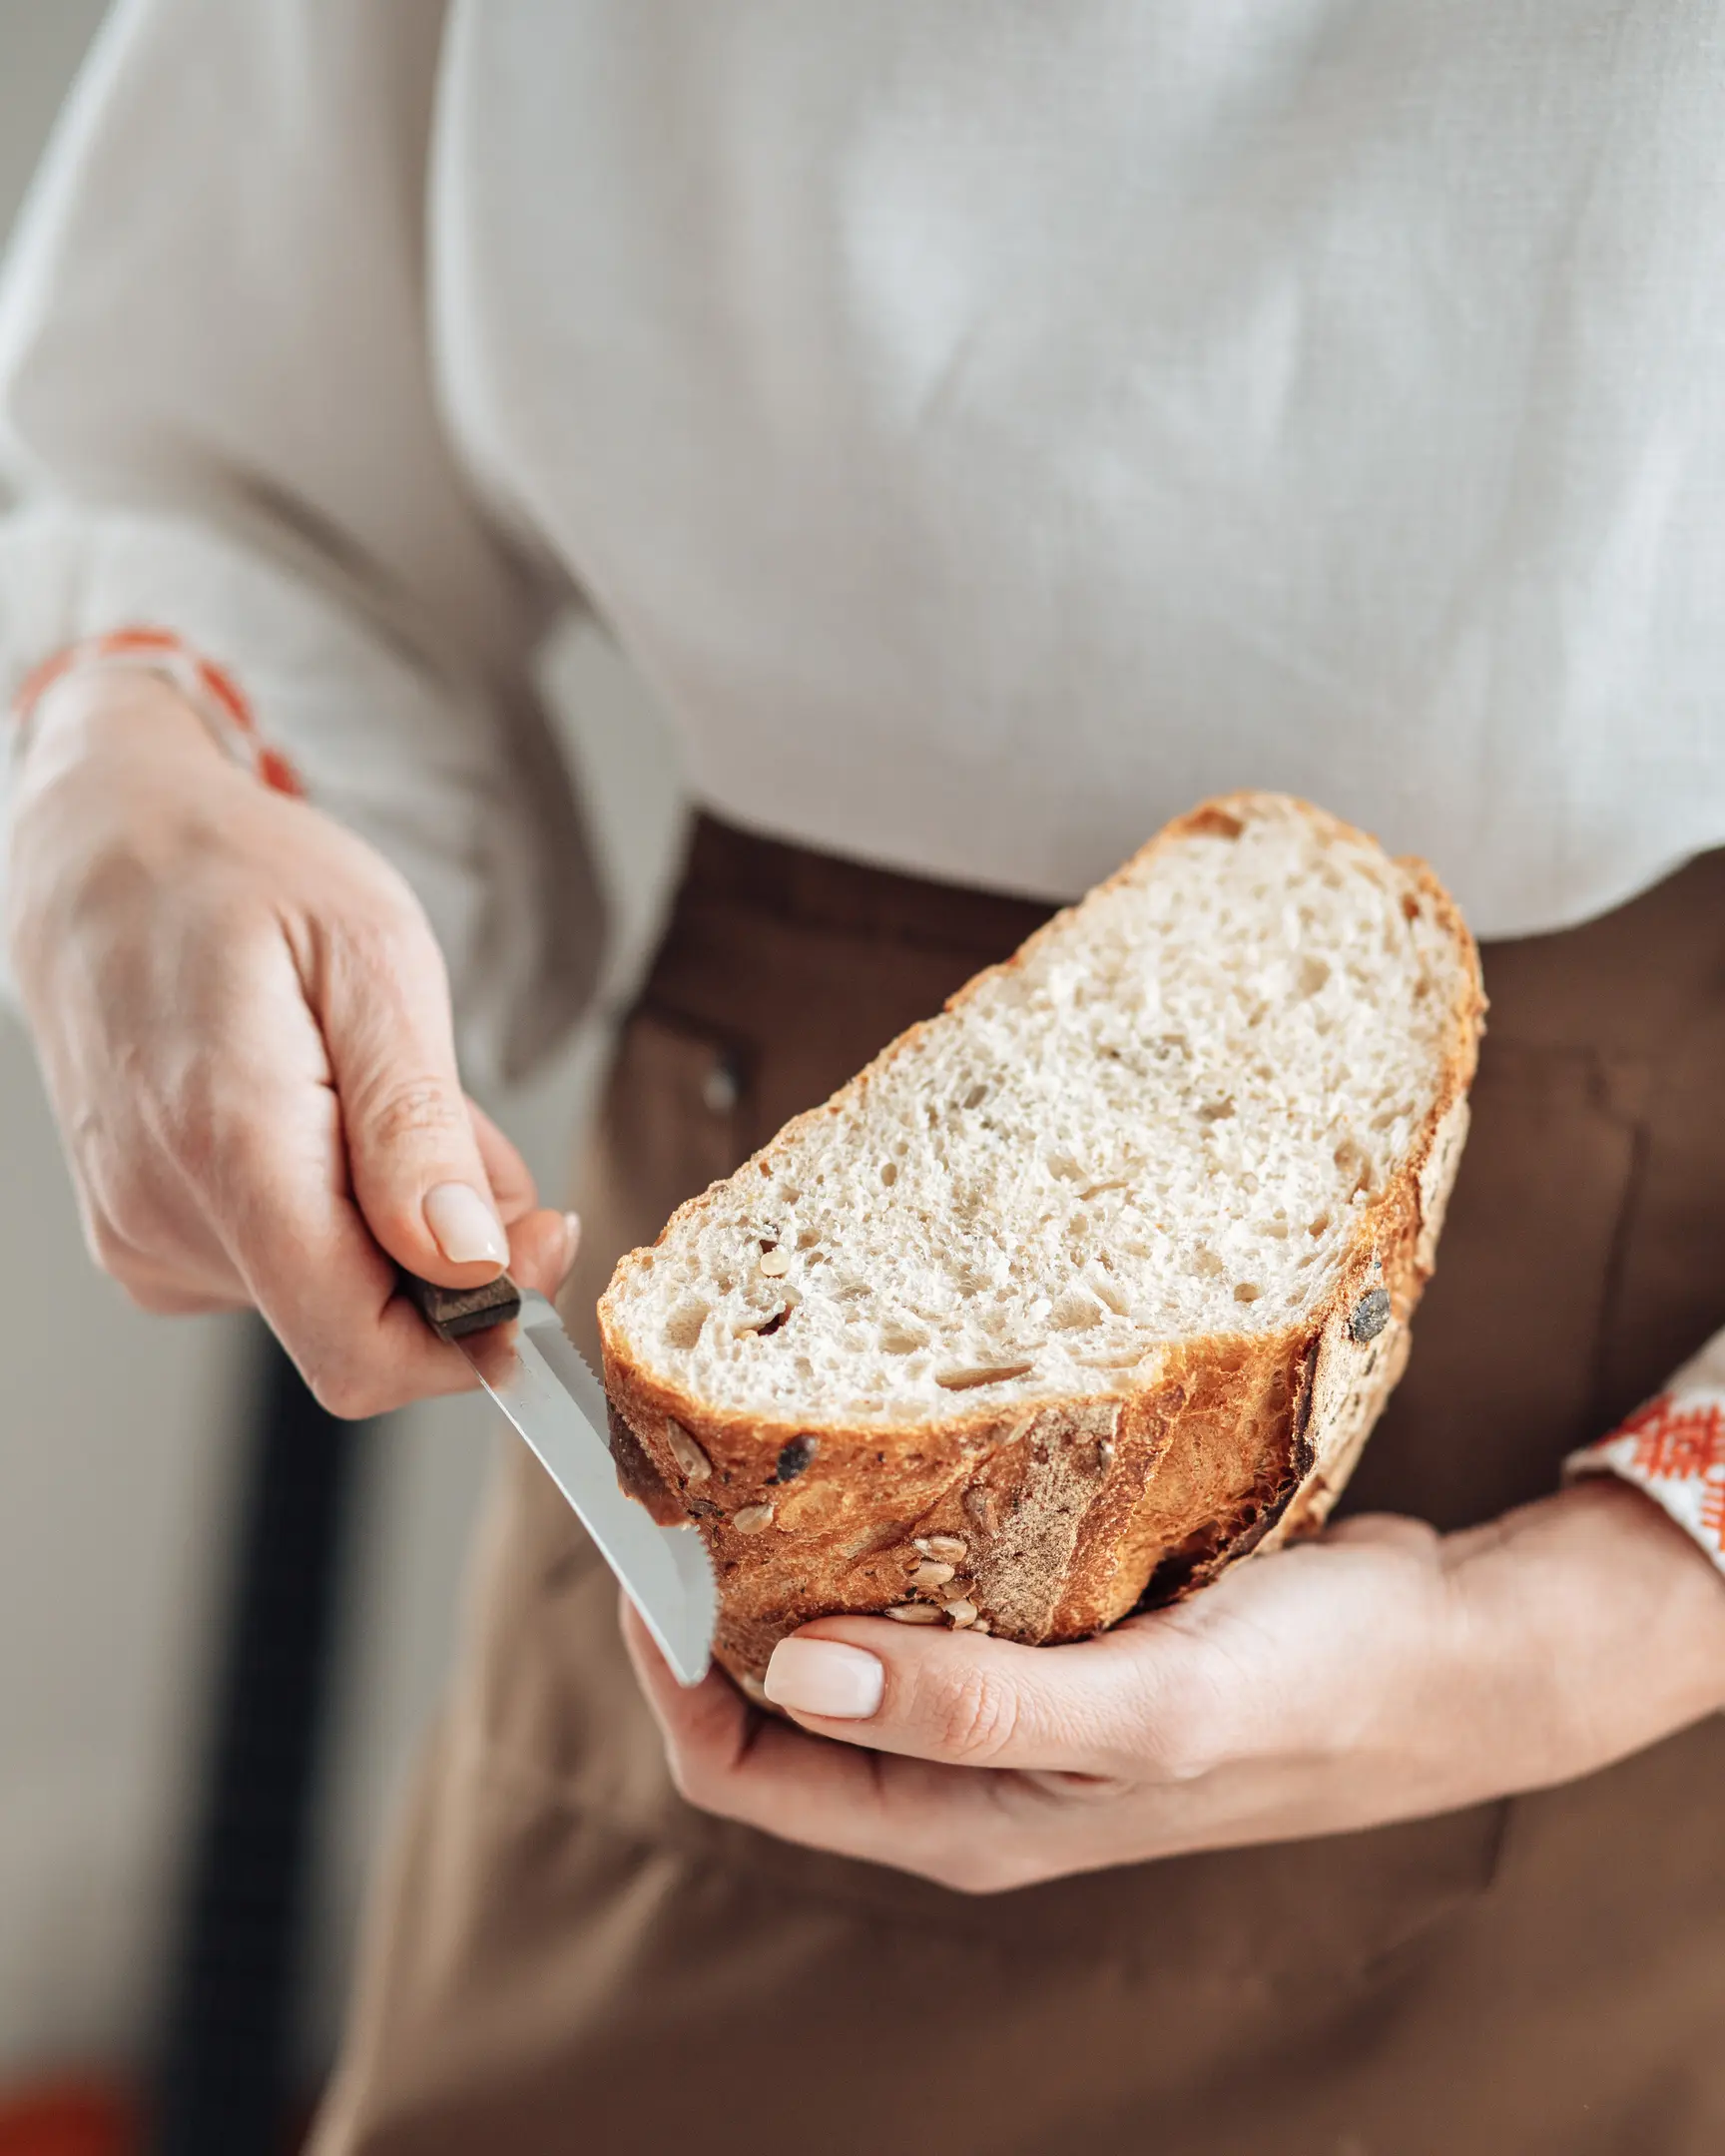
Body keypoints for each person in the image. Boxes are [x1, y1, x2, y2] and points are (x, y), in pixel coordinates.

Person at [5, 5, 1725, 2150]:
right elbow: (223, 461)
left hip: (1656, 1571)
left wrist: (1597, 1614)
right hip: (744, 1458)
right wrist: (134, 779)